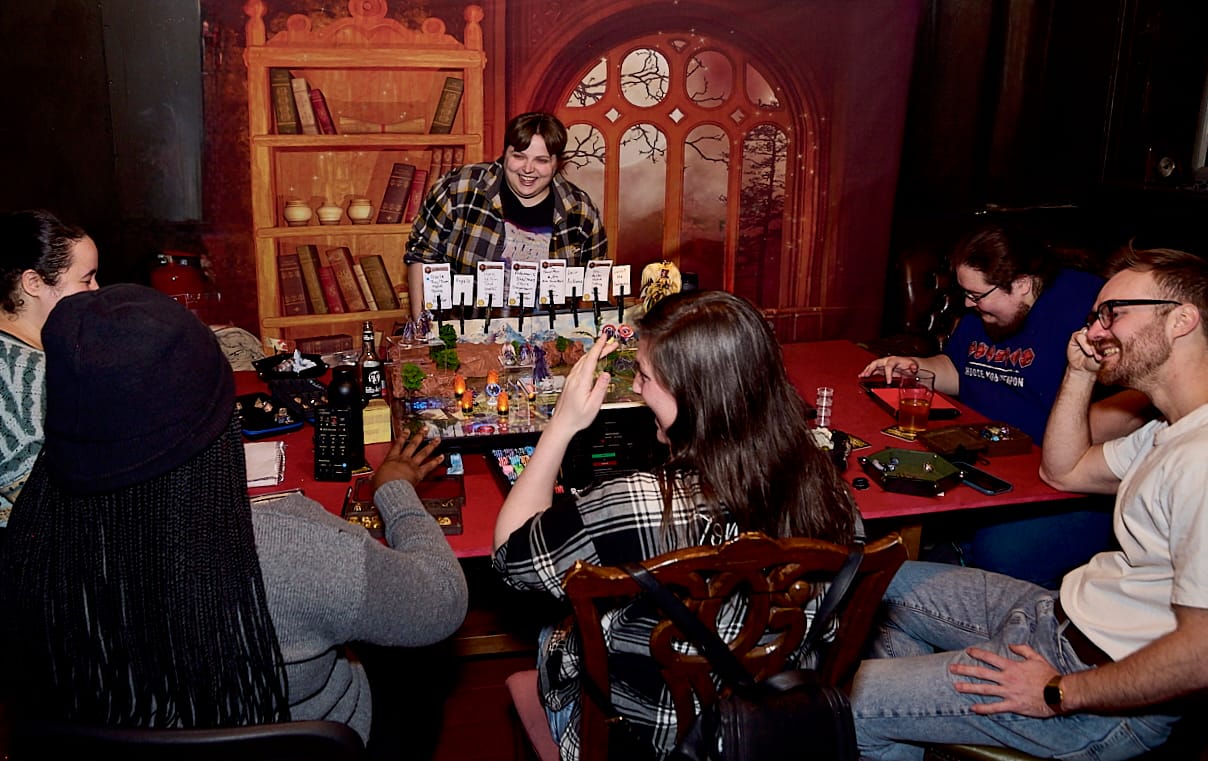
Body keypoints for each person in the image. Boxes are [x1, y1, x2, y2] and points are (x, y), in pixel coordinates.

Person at [0, 284, 469, 759]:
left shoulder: (28, 550)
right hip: (319, 741)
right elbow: (442, 603)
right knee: (419, 668)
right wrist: (396, 489)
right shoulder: (290, 548)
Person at [850, 246, 1208, 760]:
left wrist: (1057, 693)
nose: (1097, 331)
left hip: (1092, 690)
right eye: (1095, 316)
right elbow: (1062, 470)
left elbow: (1199, 657)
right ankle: (920, 714)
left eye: (1114, 313)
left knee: (844, 705)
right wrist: (1080, 373)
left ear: (1181, 320)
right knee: (879, 578)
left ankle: (899, 712)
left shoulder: (1201, 459)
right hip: (1054, 617)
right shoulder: (1164, 430)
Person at [492, 290, 861, 761]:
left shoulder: (638, 502)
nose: (639, 390)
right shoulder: (830, 493)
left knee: (554, 628)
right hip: (775, 730)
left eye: (645, 377)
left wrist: (562, 425)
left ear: (690, 396)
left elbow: (512, 561)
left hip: (649, 740)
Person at [858, 222, 1150, 587]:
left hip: (1060, 481)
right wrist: (916, 367)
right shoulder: (987, 311)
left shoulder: (1086, 307)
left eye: (977, 295)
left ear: (1024, 284)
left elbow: (1141, 394)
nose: (968, 304)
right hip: (984, 455)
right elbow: (961, 368)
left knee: (997, 548)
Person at [404, 111, 607, 320]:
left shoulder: (580, 211)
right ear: (505, 154)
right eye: (519, 156)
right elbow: (421, 257)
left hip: (548, 341)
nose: (528, 169)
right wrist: (424, 333)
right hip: (462, 338)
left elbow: (594, 284)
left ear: (557, 163)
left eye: (542, 160)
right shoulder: (460, 188)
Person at [0, 209, 99, 535]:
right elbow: (43, 504)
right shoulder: (25, 374)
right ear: (33, 282)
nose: (96, 290)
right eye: (86, 279)